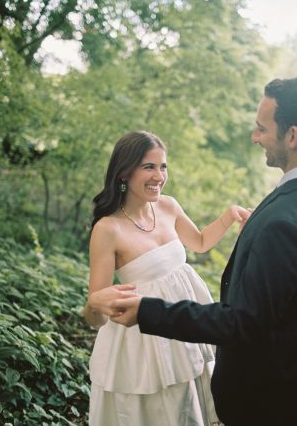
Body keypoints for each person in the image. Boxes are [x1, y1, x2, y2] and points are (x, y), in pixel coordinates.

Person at [111, 78, 297, 426]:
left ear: (292, 136)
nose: (254, 138)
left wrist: (148, 311)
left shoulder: (281, 221)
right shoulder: (108, 228)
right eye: (148, 166)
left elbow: (243, 320)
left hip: (269, 402)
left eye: (261, 128)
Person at [84, 130, 251, 426]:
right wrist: (96, 303)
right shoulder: (108, 229)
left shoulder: (168, 206)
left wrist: (229, 216)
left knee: (193, 405)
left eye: (163, 167)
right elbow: (95, 314)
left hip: (185, 326)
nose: (159, 176)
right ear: (124, 172)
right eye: (149, 166)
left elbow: (199, 242)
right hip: (144, 342)